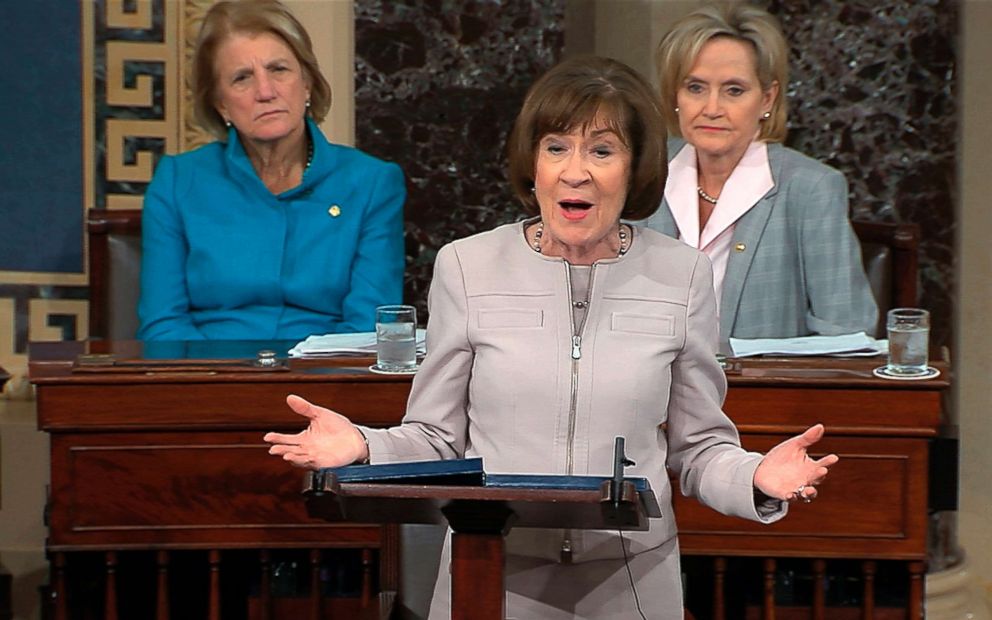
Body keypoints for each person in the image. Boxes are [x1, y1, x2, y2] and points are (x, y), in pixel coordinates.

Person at [264, 56, 838, 620]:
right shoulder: (467, 267)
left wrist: (756, 477)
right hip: (491, 571)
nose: (575, 171)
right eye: (556, 147)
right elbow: (436, 439)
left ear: (634, 168)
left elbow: (699, 449)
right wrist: (363, 445)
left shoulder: (682, 275)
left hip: (631, 578)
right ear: (532, 163)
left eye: (602, 151)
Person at [137, 0, 405, 341]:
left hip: (327, 384)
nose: (265, 92)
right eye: (242, 78)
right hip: (208, 381)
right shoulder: (177, 182)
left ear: (306, 83)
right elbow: (163, 325)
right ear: (221, 104)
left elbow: (370, 325)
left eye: (278, 69)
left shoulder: (372, 183)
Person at [643, 3, 878, 343]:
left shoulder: (811, 189)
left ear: (767, 99)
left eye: (733, 90)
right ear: (675, 95)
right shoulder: (643, 173)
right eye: (695, 88)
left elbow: (847, 335)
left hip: (761, 393)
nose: (711, 108)